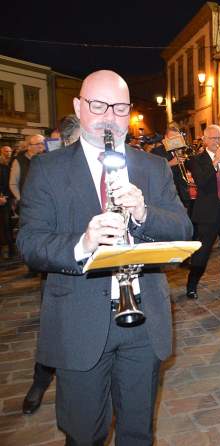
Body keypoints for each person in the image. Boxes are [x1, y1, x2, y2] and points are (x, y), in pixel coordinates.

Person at [17, 70, 192, 444]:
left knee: (137, 433)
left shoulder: (152, 167)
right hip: (78, 322)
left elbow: (183, 228)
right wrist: (83, 243)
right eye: (98, 106)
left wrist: (143, 213)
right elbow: (30, 243)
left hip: (143, 320)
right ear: (79, 107)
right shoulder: (47, 169)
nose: (110, 116)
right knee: (84, 435)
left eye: (119, 108)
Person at [21, 114, 80, 415]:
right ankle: (40, 381)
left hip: (97, 267)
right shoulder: (48, 169)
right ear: (66, 140)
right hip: (59, 265)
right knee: (53, 330)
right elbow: (34, 235)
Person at [186, 124, 220, 302]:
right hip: (208, 213)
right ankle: (192, 285)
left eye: (219, 138)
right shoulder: (196, 160)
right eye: (213, 138)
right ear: (204, 140)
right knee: (202, 254)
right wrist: (215, 161)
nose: (217, 141)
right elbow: (202, 182)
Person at [9, 134, 45, 209]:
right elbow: (13, 183)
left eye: (43, 143)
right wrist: (20, 199)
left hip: (44, 202)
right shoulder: (19, 161)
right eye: (38, 144)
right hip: (27, 204)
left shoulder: (47, 160)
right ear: (29, 146)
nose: (41, 146)